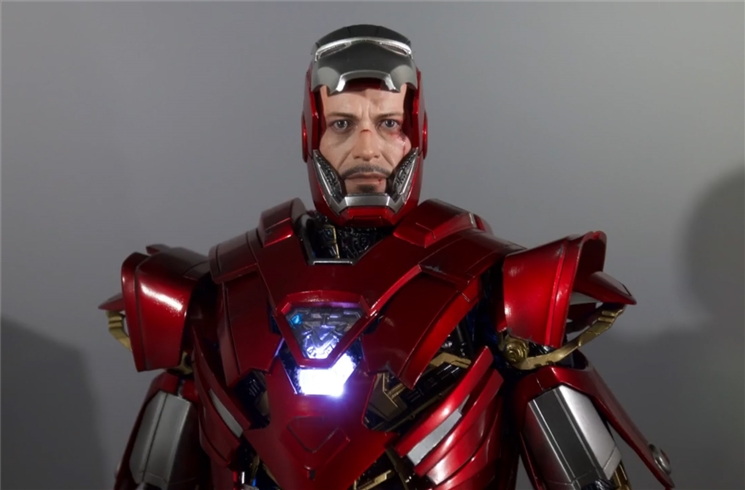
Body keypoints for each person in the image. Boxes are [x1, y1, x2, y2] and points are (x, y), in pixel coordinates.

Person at [100, 25, 675, 490]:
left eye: (388, 124)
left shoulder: (496, 283)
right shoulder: (223, 287)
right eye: (343, 124)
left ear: (416, 134)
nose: (367, 148)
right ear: (310, 136)